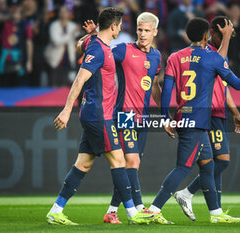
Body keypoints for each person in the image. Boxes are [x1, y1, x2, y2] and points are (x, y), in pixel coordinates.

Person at [148, 17, 240, 224]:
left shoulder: (176, 57)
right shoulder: (213, 59)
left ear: (188, 35)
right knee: (183, 167)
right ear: (207, 36)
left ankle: (216, 213)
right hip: (198, 120)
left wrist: (165, 116)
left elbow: (167, 89)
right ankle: (154, 208)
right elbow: (236, 84)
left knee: (208, 166)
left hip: (185, 118)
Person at [46, 7, 157, 225]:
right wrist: (67, 109)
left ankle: (56, 209)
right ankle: (134, 213)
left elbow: (80, 45)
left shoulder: (95, 44)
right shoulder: (100, 50)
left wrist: (90, 34)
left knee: (83, 164)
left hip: (94, 113)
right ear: (114, 27)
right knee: (120, 161)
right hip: (100, 115)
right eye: (121, 25)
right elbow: (79, 79)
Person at [78, 12, 165, 224]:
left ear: (155, 32)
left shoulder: (156, 56)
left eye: (147, 31)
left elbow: (154, 85)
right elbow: (94, 50)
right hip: (123, 114)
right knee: (131, 161)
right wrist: (92, 36)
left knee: (131, 166)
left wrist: (164, 114)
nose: (142, 34)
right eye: (139, 30)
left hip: (142, 116)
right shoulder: (123, 50)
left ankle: (112, 210)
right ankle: (138, 208)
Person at [174, 16, 240, 222]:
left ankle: (216, 212)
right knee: (221, 162)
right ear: (212, 33)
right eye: (224, 33)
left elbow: (224, 85)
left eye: (230, 35)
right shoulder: (207, 52)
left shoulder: (214, 53)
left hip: (219, 111)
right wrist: (226, 39)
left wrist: (234, 111)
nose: (227, 37)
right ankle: (187, 193)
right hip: (209, 112)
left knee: (215, 164)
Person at [44, 5, 79, 87]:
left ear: (68, 13)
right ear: (59, 13)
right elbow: (56, 41)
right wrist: (71, 34)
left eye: (65, 11)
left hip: (69, 59)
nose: (63, 14)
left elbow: (76, 40)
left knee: (67, 86)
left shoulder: (73, 26)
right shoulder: (54, 26)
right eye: (61, 12)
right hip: (56, 60)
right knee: (54, 85)